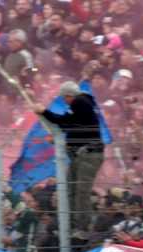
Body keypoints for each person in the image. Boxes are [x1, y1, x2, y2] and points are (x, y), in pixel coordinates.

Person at [34, 78, 104, 237]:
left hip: (88, 154)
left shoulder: (79, 102)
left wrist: (44, 112)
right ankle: (73, 226)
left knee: (81, 191)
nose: (65, 103)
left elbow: (65, 122)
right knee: (72, 190)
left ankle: (82, 227)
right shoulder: (81, 106)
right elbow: (73, 126)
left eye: (64, 98)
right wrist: (60, 139)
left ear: (68, 95)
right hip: (82, 154)